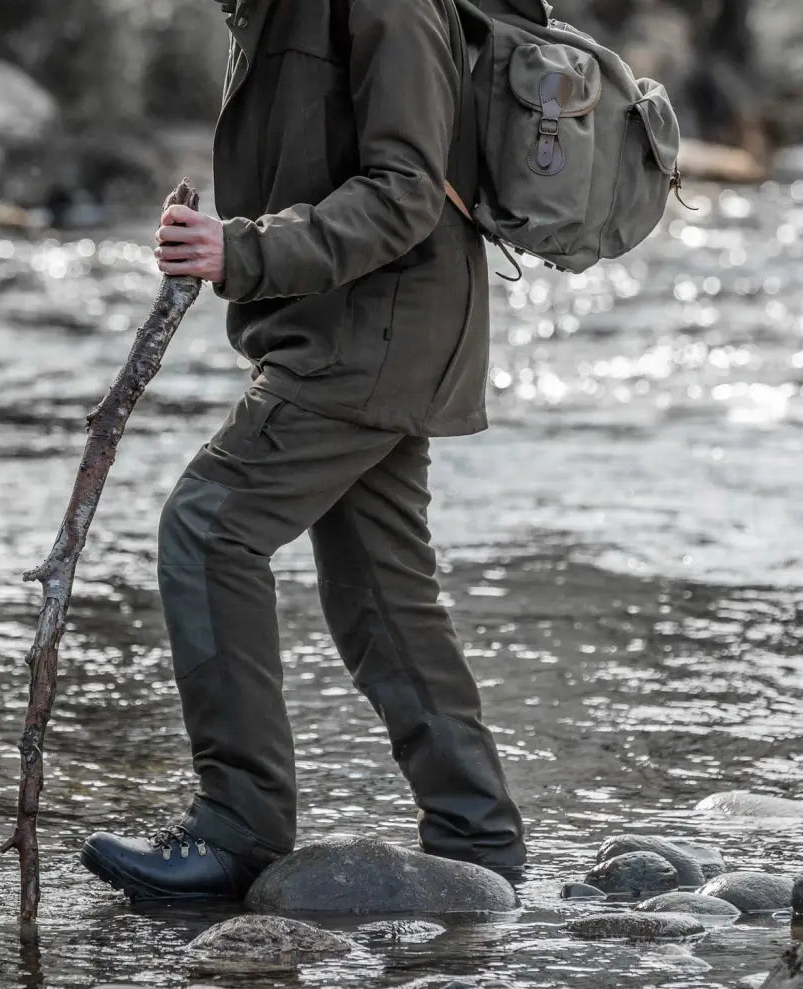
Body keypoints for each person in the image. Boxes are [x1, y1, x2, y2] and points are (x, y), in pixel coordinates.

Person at [80, 0, 526, 901]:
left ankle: (237, 827)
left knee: (209, 528)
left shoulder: (386, 5)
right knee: (379, 591)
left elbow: (404, 192)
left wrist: (237, 251)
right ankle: (478, 847)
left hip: (375, 330)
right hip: (357, 325)